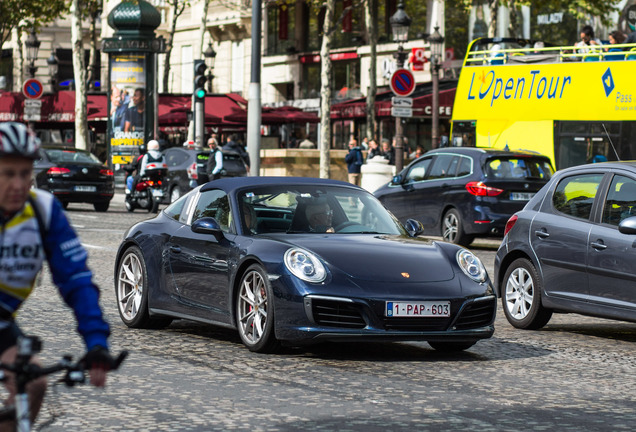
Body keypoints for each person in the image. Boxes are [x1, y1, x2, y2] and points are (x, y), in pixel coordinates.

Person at [0, 122, 115, 430]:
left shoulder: (43, 210)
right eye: (8, 173)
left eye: (25, 174)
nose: (18, 184)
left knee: (34, 384)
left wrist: (96, 343)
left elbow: (76, 280)